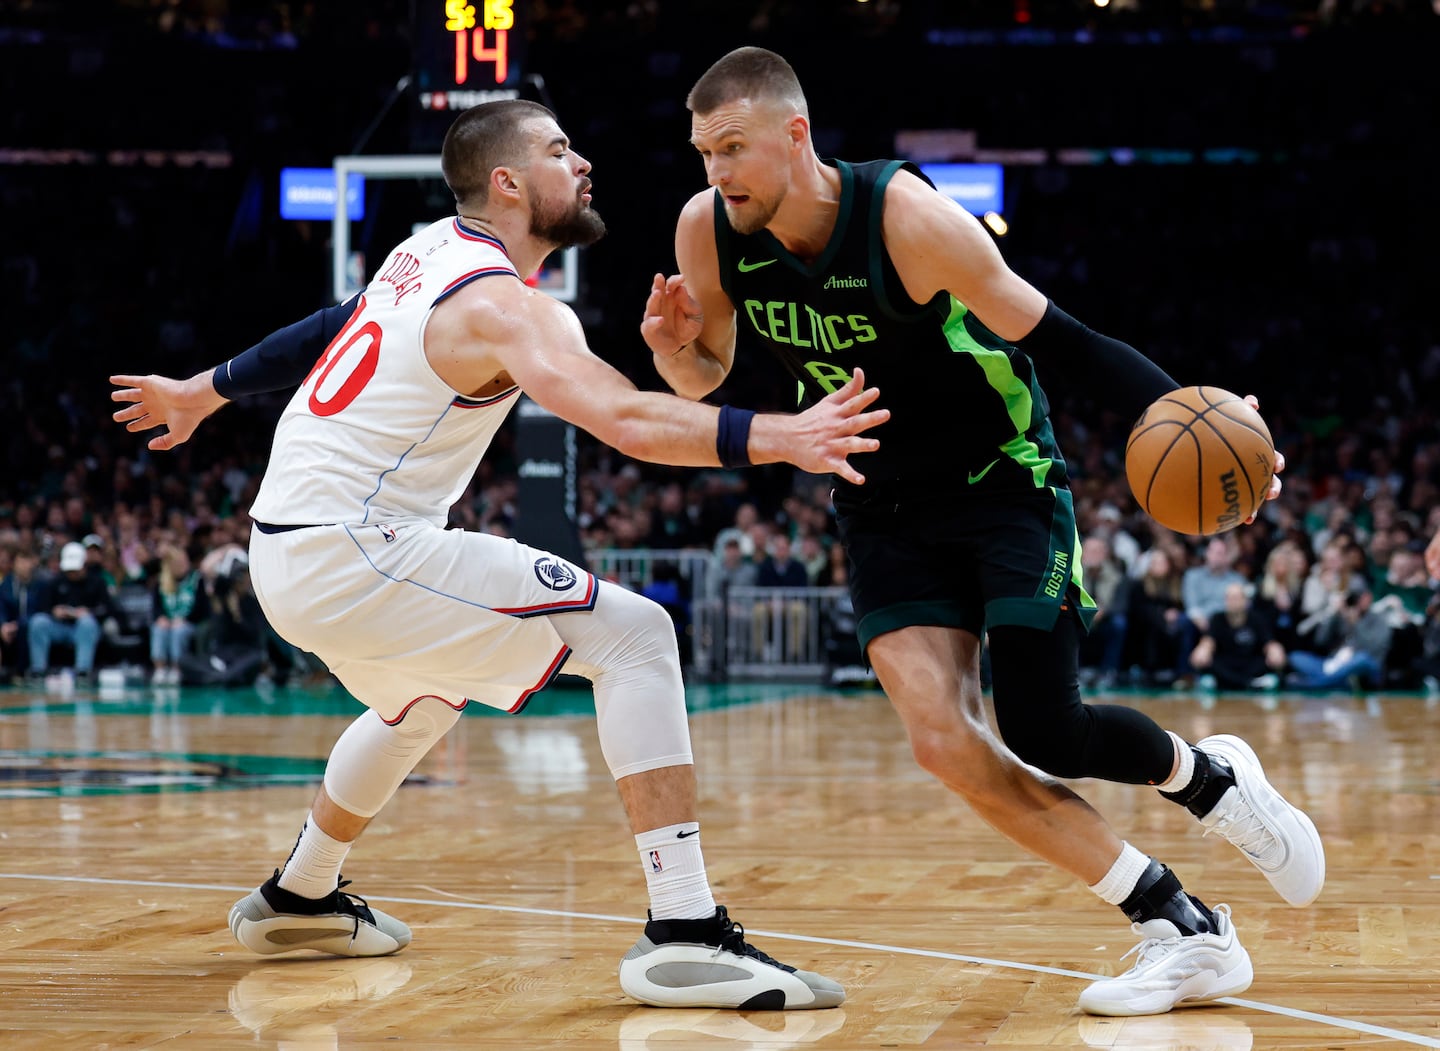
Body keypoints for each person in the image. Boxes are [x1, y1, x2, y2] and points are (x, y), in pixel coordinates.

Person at [111, 99, 886, 1012]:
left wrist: (204, 391)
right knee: (636, 636)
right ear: (509, 182)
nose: (584, 161)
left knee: (421, 701)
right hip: (357, 551)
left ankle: (301, 894)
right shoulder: (508, 309)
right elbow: (626, 419)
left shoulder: (423, 252)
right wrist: (780, 435)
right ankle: (683, 930)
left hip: (290, 551)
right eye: (561, 150)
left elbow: (331, 322)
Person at [639, 46, 1323, 1017]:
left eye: (734, 147)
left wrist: (1212, 423)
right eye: (705, 151)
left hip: (1003, 480)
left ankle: (1207, 778)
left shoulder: (908, 221)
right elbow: (705, 377)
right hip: (878, 505)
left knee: (1042, 726)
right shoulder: (708, 230)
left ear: (796, 134)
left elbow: (1065, 340)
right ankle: (1179, 923)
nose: (717, 172)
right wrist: (675, 350)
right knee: (942, 743)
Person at [28, 540, 110, 683]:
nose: (72, 573)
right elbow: (42, 607)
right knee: (38, 622)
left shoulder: (97, 582)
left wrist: (88, 612)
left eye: (75, 570)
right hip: (59, 627)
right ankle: (38, 670)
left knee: (87, 623)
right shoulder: (55, 582)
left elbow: (107, 609)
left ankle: (82, 672)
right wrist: (54, 612)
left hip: (82, 630)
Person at [1187, 582, 1286, 691]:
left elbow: (1269, 642)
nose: (1232, 601)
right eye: (1228, 598)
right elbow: (1208, 640)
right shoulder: (1217, 618)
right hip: (1226, 662)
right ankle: (1252, 683)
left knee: (1270, 662)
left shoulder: (1257, 618)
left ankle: (1223, 682)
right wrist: (1203, 650)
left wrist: (1275, 650)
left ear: (1245, 600)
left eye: (1236, 598)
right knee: (1208, 663)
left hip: (1250, 662)